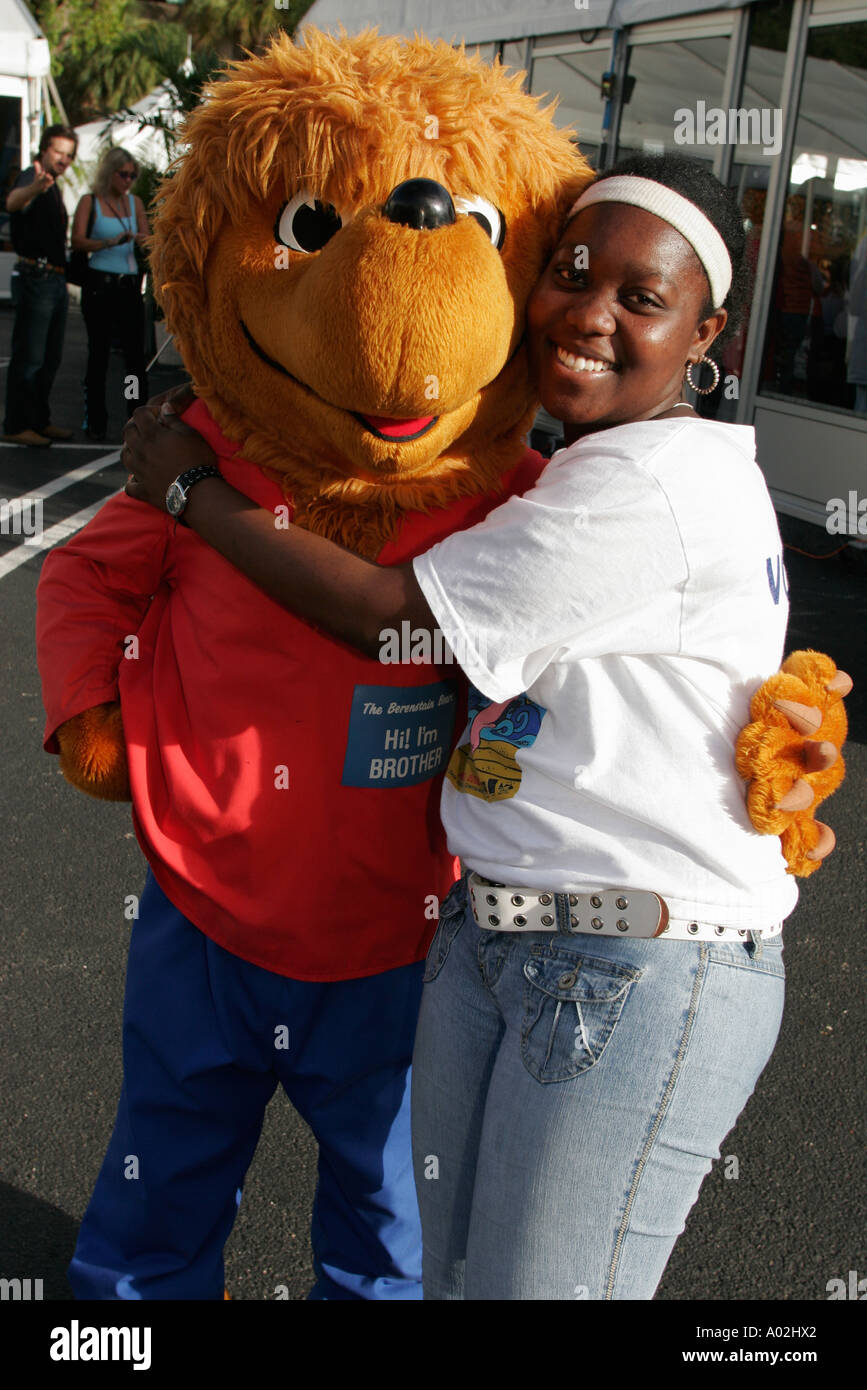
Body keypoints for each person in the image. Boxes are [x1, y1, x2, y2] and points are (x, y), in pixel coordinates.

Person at [122, 153, 834, 1299]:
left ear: (713, 338)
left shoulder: (648, 485)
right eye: (571, 273)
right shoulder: (582, 469)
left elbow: (397, 619)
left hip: (628, 967)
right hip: (510, 939)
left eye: (642, 299)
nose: (590, 315)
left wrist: (190, 489)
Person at [3, 125, 77, 447]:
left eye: (69, 155)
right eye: (59, 152)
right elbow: (12, 204)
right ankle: (17, 424)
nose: (64, 159)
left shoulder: (53, 185)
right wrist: (34, 188)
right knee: (30, 356)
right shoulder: (30, 177)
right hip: (37, 277)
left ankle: (38, 420)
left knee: (50, 358)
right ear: (44, 150)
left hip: (54, 279)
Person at [71, 148, 150, 443]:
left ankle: (136, 415)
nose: (128, 180)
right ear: (110, 173)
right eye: (124, 174)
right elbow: (77, 241)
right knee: (99, 354)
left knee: (134, 360)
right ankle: (96, 417)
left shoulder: (135, 203)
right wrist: (107, 242)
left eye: (133, 175)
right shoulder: (90, 202)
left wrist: (141, 240)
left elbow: (146, 239)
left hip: (128, 284)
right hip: (99, 284)